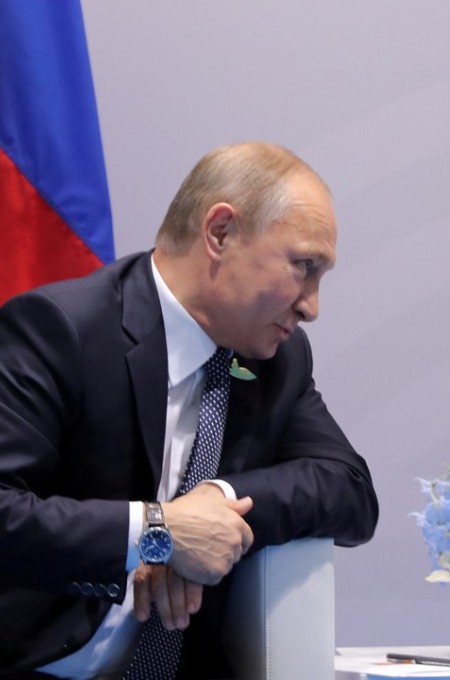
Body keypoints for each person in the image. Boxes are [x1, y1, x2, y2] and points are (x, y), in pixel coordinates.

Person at [0, 141, 379, 679]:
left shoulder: (277, 358)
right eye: (303, 267)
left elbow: (351, 491)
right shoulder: (63, 332)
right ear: (220, 233)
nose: (312, 306)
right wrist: (158, 532)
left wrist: (216, 505)